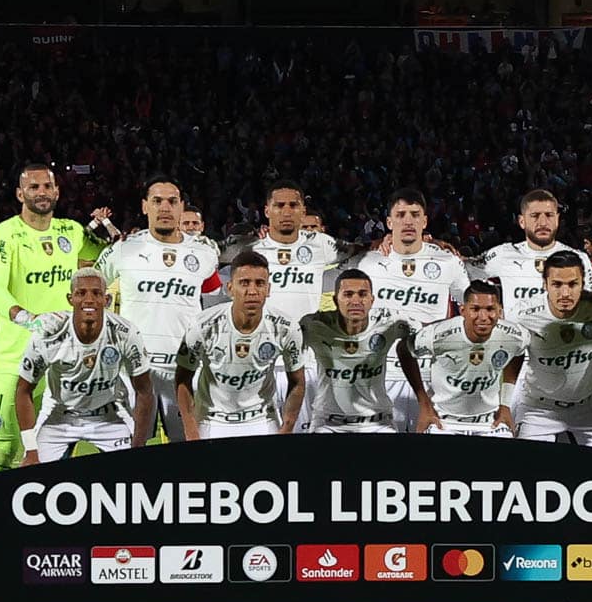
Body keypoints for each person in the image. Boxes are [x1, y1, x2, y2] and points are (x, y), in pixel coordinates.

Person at [0, 163, 109, 474]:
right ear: (20, 193)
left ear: (57, 192)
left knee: (58, 449)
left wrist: (101, 240)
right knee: (3, 446)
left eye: (46, 186)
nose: (41, 192)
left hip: (64, 359)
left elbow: (89, 269)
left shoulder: (72, 231)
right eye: (33, 187)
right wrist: (27, 318)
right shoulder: (2, 235)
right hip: (15, 355)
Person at [219, 181, 362, 432]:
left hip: (305, 362)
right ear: (267, 210)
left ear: (302, 210)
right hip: (257, 362)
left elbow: (365, 250)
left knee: (303, 437)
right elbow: (201, 252)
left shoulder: (322, 246)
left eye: (293, 205)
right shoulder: (249, 249)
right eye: (279, 205)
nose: (286, 211)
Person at [94, 175, 223, 442]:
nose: (165, 208)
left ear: (181, 206)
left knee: (189, 453)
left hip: (185, 369)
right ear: (145, 206)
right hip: (134, 369)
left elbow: (213, 296)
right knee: (129, 453)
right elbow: (90, 289)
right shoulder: (123, 249)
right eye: (157, 201)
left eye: (172, 201)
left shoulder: (203, 253)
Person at [350, 188, 469, 431]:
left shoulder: (448, 262)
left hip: (431, 378)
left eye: (415, 214)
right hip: (379, 376)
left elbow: (468, 309)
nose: (408, 221)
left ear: (425, 221)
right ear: (389, 222)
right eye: (401, 214)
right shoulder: (368, 262)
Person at [15, 268, 155, 465]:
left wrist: (138, 446)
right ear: (70, 298)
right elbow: (23, 390)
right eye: (81, 293)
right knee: (31, 475)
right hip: (59, 412)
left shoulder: (126, 332)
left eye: (96, 293)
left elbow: (145, 391)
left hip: (109, 413)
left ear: (106, 300)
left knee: (134, 476)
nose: (89, 299)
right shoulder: (47, 332)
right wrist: (30, 450)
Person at [175, 251, 306, 439]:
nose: (252, 291)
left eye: (259, 284)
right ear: (230, 288)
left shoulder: (286, 327)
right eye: (244, 283)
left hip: (261, 420)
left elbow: (297, 382)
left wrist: (286, 428)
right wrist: (191, 430)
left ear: (268, 289)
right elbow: (182, 378)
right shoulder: (202, 325)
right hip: (213, 421)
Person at [503, 253, 592, 446]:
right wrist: (505, 405)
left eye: (572, 284)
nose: (565, 293)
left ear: (583, 283)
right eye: (557, 284)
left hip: (590, 407)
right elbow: (512, 360)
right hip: (538, 409)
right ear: (545, 284)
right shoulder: (522, 314)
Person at [300, 269, 436, 434]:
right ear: (336, 300)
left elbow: (429, 335)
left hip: (378, 423)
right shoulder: (313, 326)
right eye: (348, 294)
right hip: (327, 424)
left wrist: (425, 405)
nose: (356, 301)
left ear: (372, 300)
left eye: (362, 294)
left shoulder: (391, 322)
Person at [413, 280, 528, 436]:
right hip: (444, 422)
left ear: (500, 311)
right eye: (475, 309)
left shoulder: (515, 335)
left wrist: (505, 405)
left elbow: (518, 352)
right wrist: (424, 404)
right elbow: (404, 350)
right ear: (462, 310)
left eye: (490, 309)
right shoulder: (437, 334)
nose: (483, 317)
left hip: (490, 422)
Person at [468, 189, 592, 315]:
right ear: (522, 221)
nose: (543, 222)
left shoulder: (579, 258)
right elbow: (464, 269)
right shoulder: (503, 254)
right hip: (518, 334)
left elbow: (589, 308)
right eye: (535, 216)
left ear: (557, 219)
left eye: (549, 215)